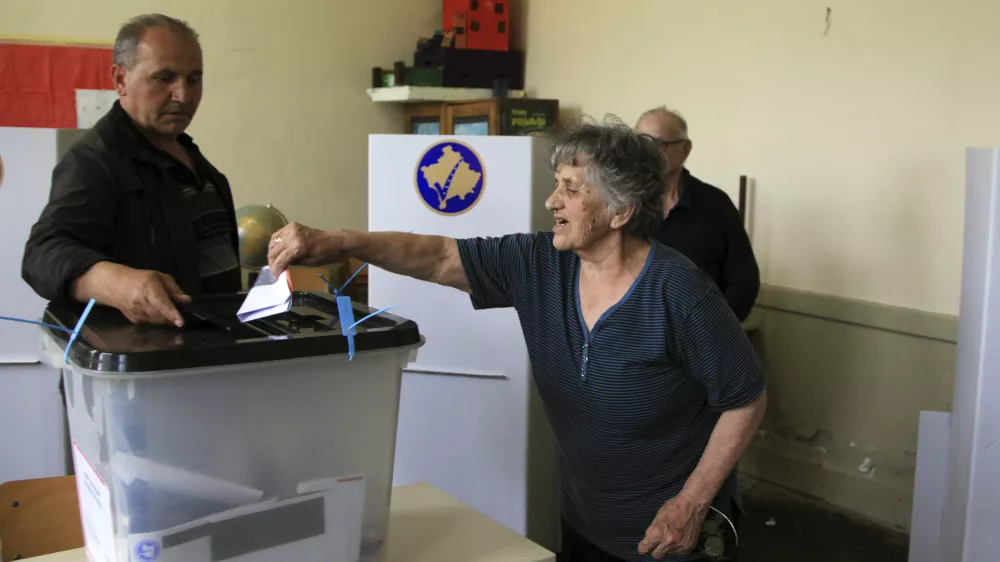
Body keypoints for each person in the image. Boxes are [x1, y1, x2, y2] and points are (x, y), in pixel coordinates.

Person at [267, 118, 768, 562]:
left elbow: (745, 399)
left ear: (620, 213)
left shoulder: (679, 292)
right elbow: (441, 257)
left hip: (673, 537)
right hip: (584, 524)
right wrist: (338, 242)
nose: (552, 201)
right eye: (557, 185)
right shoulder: (540, 264)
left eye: (571, 189)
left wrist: (691, 502)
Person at [21, 13, 240, 327]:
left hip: (207, 351)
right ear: (120, 80)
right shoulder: (94, 161)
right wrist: (115, 282)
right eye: (164, 78)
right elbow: (41, 256)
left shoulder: (186, 151)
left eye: (194, 79)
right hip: (144, 363)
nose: (183, 95)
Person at [635, 107, 760, 322]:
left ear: (685, 149)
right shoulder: (621, 204)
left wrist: (714, 326)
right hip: (631, 337)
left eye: (657, 144)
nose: (647, 152)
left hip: (700, 337)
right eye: (640, 143)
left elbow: (743, 281)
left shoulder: (715, 205)